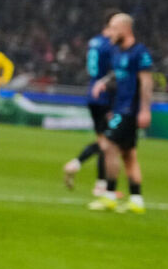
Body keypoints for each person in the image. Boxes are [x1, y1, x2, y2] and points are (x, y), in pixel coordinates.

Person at [88, 13, 153, 214]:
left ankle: (109, 195)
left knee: (108, 145)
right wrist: (103, 82)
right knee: (128, 155)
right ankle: (136, 200)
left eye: (114, 29)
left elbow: (146, 82)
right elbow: (116, 73)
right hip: (119, 108)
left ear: (125, 29)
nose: (110, 34)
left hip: (130, 110)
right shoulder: (117, 52)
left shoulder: (139, 53)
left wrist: (144, 110)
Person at [63, 11, 119, 193]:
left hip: (92, 92)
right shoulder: (111, 45)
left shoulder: (94, 42)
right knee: (109, 142)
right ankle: (78, 164)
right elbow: (117, 71)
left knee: (103, 140)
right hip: (105, 94)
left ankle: (100, 184)